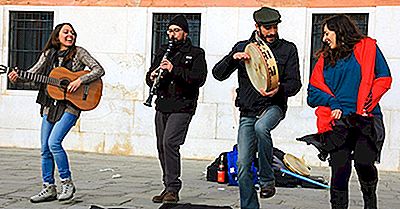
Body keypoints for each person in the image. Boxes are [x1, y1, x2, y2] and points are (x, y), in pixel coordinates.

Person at [212, 7, 301, 209]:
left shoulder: (288, 49)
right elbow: (218, 74)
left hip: (273, 106)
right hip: (248, 111)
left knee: (262, 127)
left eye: (275, 27)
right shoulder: (243, 47)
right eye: (267, 28)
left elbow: (295, 84)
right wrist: (232, 58)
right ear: (257, 27)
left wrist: (279, 89)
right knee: (242, 165)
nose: (272, 32)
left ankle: (268, 180)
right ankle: (249, 206)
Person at [8, 23, 105, 203]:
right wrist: (17, 77)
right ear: (57, 36)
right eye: (66, 32)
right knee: (45, 148)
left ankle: (67, 183)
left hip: (71, 105)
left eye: (72, 32)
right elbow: (33, 75)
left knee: (54, 142)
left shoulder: (79, 53)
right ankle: (48, 187)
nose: (70, 35)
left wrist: (80, 80)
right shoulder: (47, 55)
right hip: (50, 104)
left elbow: (99, 70)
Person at [307, 14, 391, 209]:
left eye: (327, 33)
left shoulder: (368, 47)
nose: (324, 38)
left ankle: (370, 203)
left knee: (363, 163)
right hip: (337, 123)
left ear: (340, 31)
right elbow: (312, 93)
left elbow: (384, 77)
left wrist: (367, 104)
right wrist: (332, 102)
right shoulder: (324, 59)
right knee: (340, 168)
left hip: (365, 119)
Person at [145, 14, 207, 203]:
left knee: (170, 142)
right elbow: (149, 77)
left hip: (183, 105)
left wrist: (174, 70)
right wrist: (153, 76)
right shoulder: (163, 50)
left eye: (176, 30)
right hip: (162, 104)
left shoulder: (196, 53)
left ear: (185, 33)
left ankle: (173, 187)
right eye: (170, 30)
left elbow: (198, 79)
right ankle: (167, 186)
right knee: (161, 147)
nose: (172, 34)